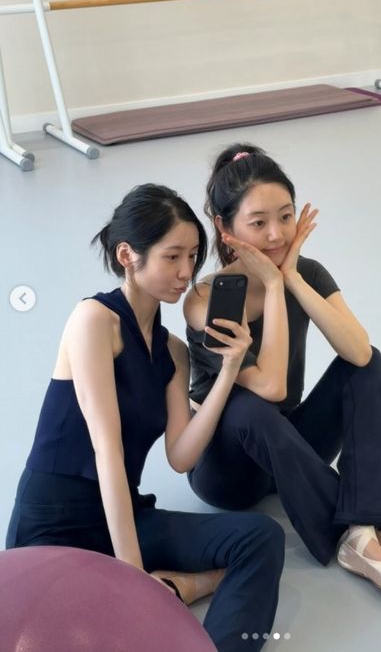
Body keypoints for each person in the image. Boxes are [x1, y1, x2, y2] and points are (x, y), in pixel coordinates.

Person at [6, 184, 285, 652]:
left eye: (192, 257)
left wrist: (230, 369)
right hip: (54, 526)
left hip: (123, 517)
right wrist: (134, 581)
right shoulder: (94, 320)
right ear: (127, 255)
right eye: (172, 257)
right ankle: (172, 587)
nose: (186, 273)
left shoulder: (173, 350)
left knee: (260, 538)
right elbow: (107, 453)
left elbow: (181, 456)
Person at [184, 144, 381, 604]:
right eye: (258, 223)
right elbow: (271, 389)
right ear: (225, 228)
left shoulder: (307, 272)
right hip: (228, 472)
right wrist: (274, 285)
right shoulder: (206, 300)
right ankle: (349, 536)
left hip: (287, 446)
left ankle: (375, 520)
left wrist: (293, 278)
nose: (276, 234)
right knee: (247, 407)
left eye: (286, 216)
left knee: (367, 364)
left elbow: (358, 352)